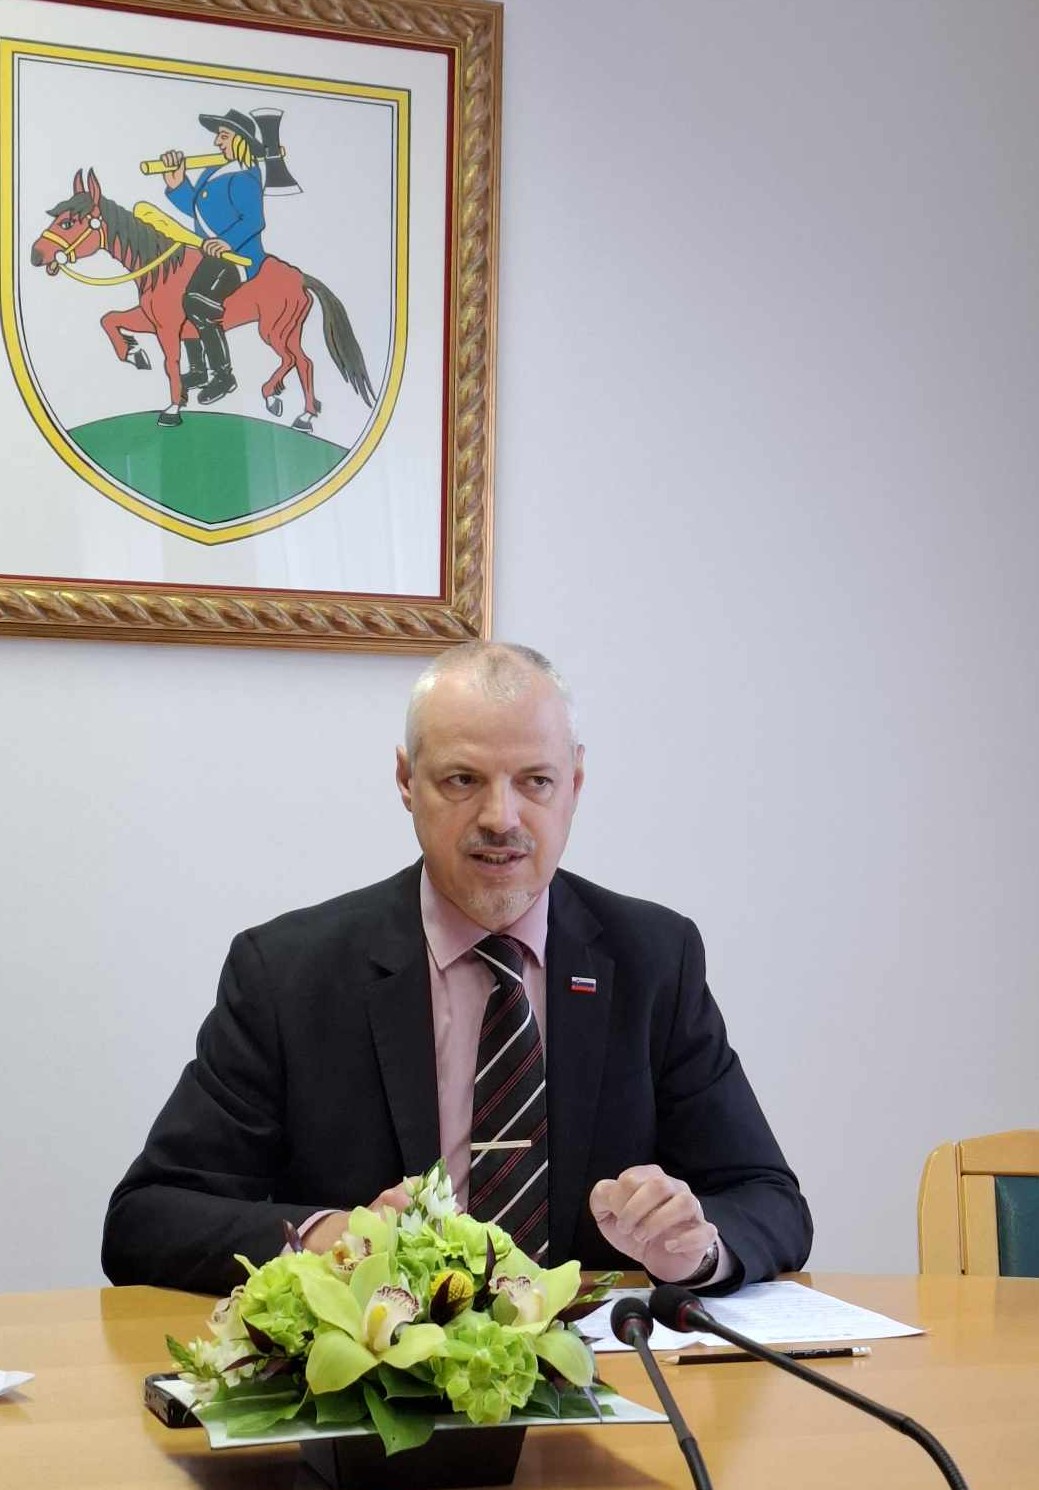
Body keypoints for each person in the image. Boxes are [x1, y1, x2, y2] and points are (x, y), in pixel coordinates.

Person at [102, 643, 812, 1296]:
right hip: (383, 1370)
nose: (501, 817)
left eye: (535, 781)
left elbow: (768, 1199)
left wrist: (695, 1249)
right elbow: (147, 1219)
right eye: (462, 780)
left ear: (574, 784)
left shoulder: (653, 958)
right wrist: (329, 1239)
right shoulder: (289, 972)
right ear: (406, 781)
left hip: (600, 1365)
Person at [161, 108, 268, 405]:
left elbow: (254, 220)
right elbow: (199, 212)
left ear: (240, 140)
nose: (217, 143)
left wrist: (226, 242)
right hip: (212, 255)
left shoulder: (245, 176)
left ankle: (223, 376)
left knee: (197, 301)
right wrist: (177, 185)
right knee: (181, 299)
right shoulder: (214, 171)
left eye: (223, 136)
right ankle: (198, 370)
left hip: (239, 258)